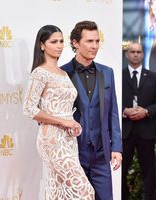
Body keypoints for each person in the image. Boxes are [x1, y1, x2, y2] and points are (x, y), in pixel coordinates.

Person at [23, 25, 94, 199]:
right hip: (52, 140)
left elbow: (64, 109)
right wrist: (63, 122)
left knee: (58, 193)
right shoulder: (40, 73)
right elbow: (29, 108)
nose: (59, 45)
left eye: (61, 41)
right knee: (85, 191)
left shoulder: (63, 73)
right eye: (53, 41)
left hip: (69, 140)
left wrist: (71, 123)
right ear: (42, 45)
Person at [61, 20, 122, 200]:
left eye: (97, 41)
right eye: (89, 41)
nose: (94, 46)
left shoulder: (107, 72)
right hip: (74, 153)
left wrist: (116, 147)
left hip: (101, 153)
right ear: (75, 43)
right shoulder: (62, 74)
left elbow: (113, 112)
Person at [122, 41, 156, 200]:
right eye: (132, 52)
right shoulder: (118, 76)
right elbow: (111, 101)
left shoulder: (154, 77)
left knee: (148, 171)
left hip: (146, 131)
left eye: (138, 52)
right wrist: (123, 111)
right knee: (120, 170)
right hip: (124, 132)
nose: (135, 54)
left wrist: (146, 111)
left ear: (142, 54)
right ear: (127, 54)